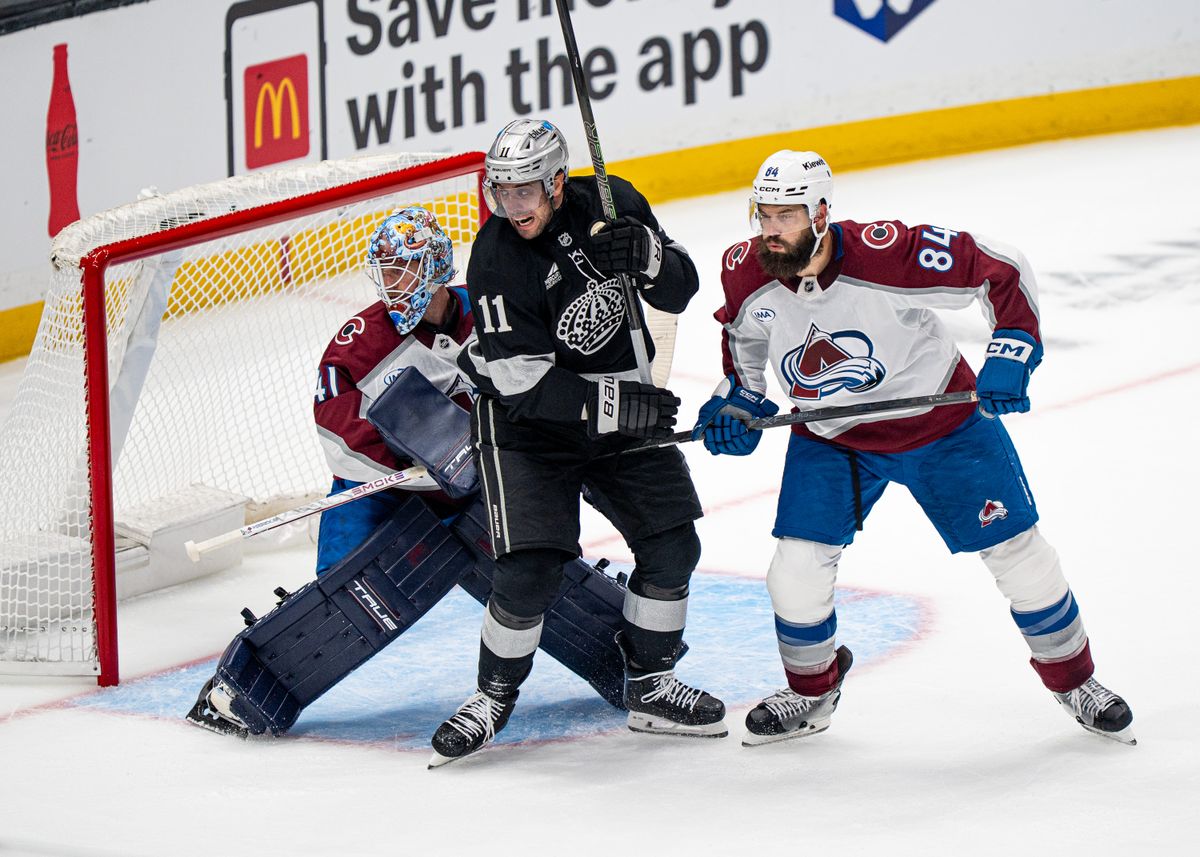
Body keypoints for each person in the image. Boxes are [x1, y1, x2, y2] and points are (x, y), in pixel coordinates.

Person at [693, 150, 1135, 747]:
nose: (770, 230)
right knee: (794, 573)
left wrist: (1011, 350)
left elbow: (999, 269)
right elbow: (742, 342)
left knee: (1019, 556)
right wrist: (736, 403)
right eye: (763, 215)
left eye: (787, 216)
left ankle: (1075, 681)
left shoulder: (887, 252)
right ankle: (811, 692)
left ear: (821, 213)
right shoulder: (746, 269)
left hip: (942, 424)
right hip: (832, 437)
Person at [186, 207, 629, 736]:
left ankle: (629, 660)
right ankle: (238, 695)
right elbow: (337, 431)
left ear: (437, 265)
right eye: (385, 271)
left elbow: (538, 383)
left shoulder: (495, 310)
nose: (392, 285)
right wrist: (413, 466)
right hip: (385, 489)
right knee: (344, 598)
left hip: (477, 482)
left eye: (404, 270)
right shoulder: (357, 346)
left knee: (527, 564)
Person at [430, 118, 725, 766]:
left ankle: (649, 684)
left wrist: (647, 256)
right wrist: (621, 404)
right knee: (530, 569)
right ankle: (492, 695)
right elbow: (523, 384)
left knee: (673, 544)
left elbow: (683, 286)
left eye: (525, 191)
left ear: (558, 180)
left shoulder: (613, 202)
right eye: (501, 192)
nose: (513, 206)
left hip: (615, 403)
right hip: (528, 426)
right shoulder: (495, 259)